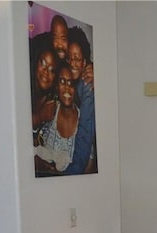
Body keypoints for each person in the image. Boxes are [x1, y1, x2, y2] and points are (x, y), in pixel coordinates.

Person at [35, 62, 79, 175]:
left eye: (71, 83)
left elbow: (89, 165)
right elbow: (31, 139)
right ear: (56, 86)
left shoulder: (84, 121)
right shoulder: (49, 109)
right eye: (62, 81)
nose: (67, 87)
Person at [65, 26, 97, 174]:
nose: (72, 63)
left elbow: (85, 133)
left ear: (84, 62)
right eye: (69, 58)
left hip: (86, 153)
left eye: (77, 58)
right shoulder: (65, 79)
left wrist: (72, 171)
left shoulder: (86, 82)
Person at [30, 33, 58, 134]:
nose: (46, 72)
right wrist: (39, 117)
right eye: (43, 63)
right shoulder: (24, 88)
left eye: (51, 70)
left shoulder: (53, 102)